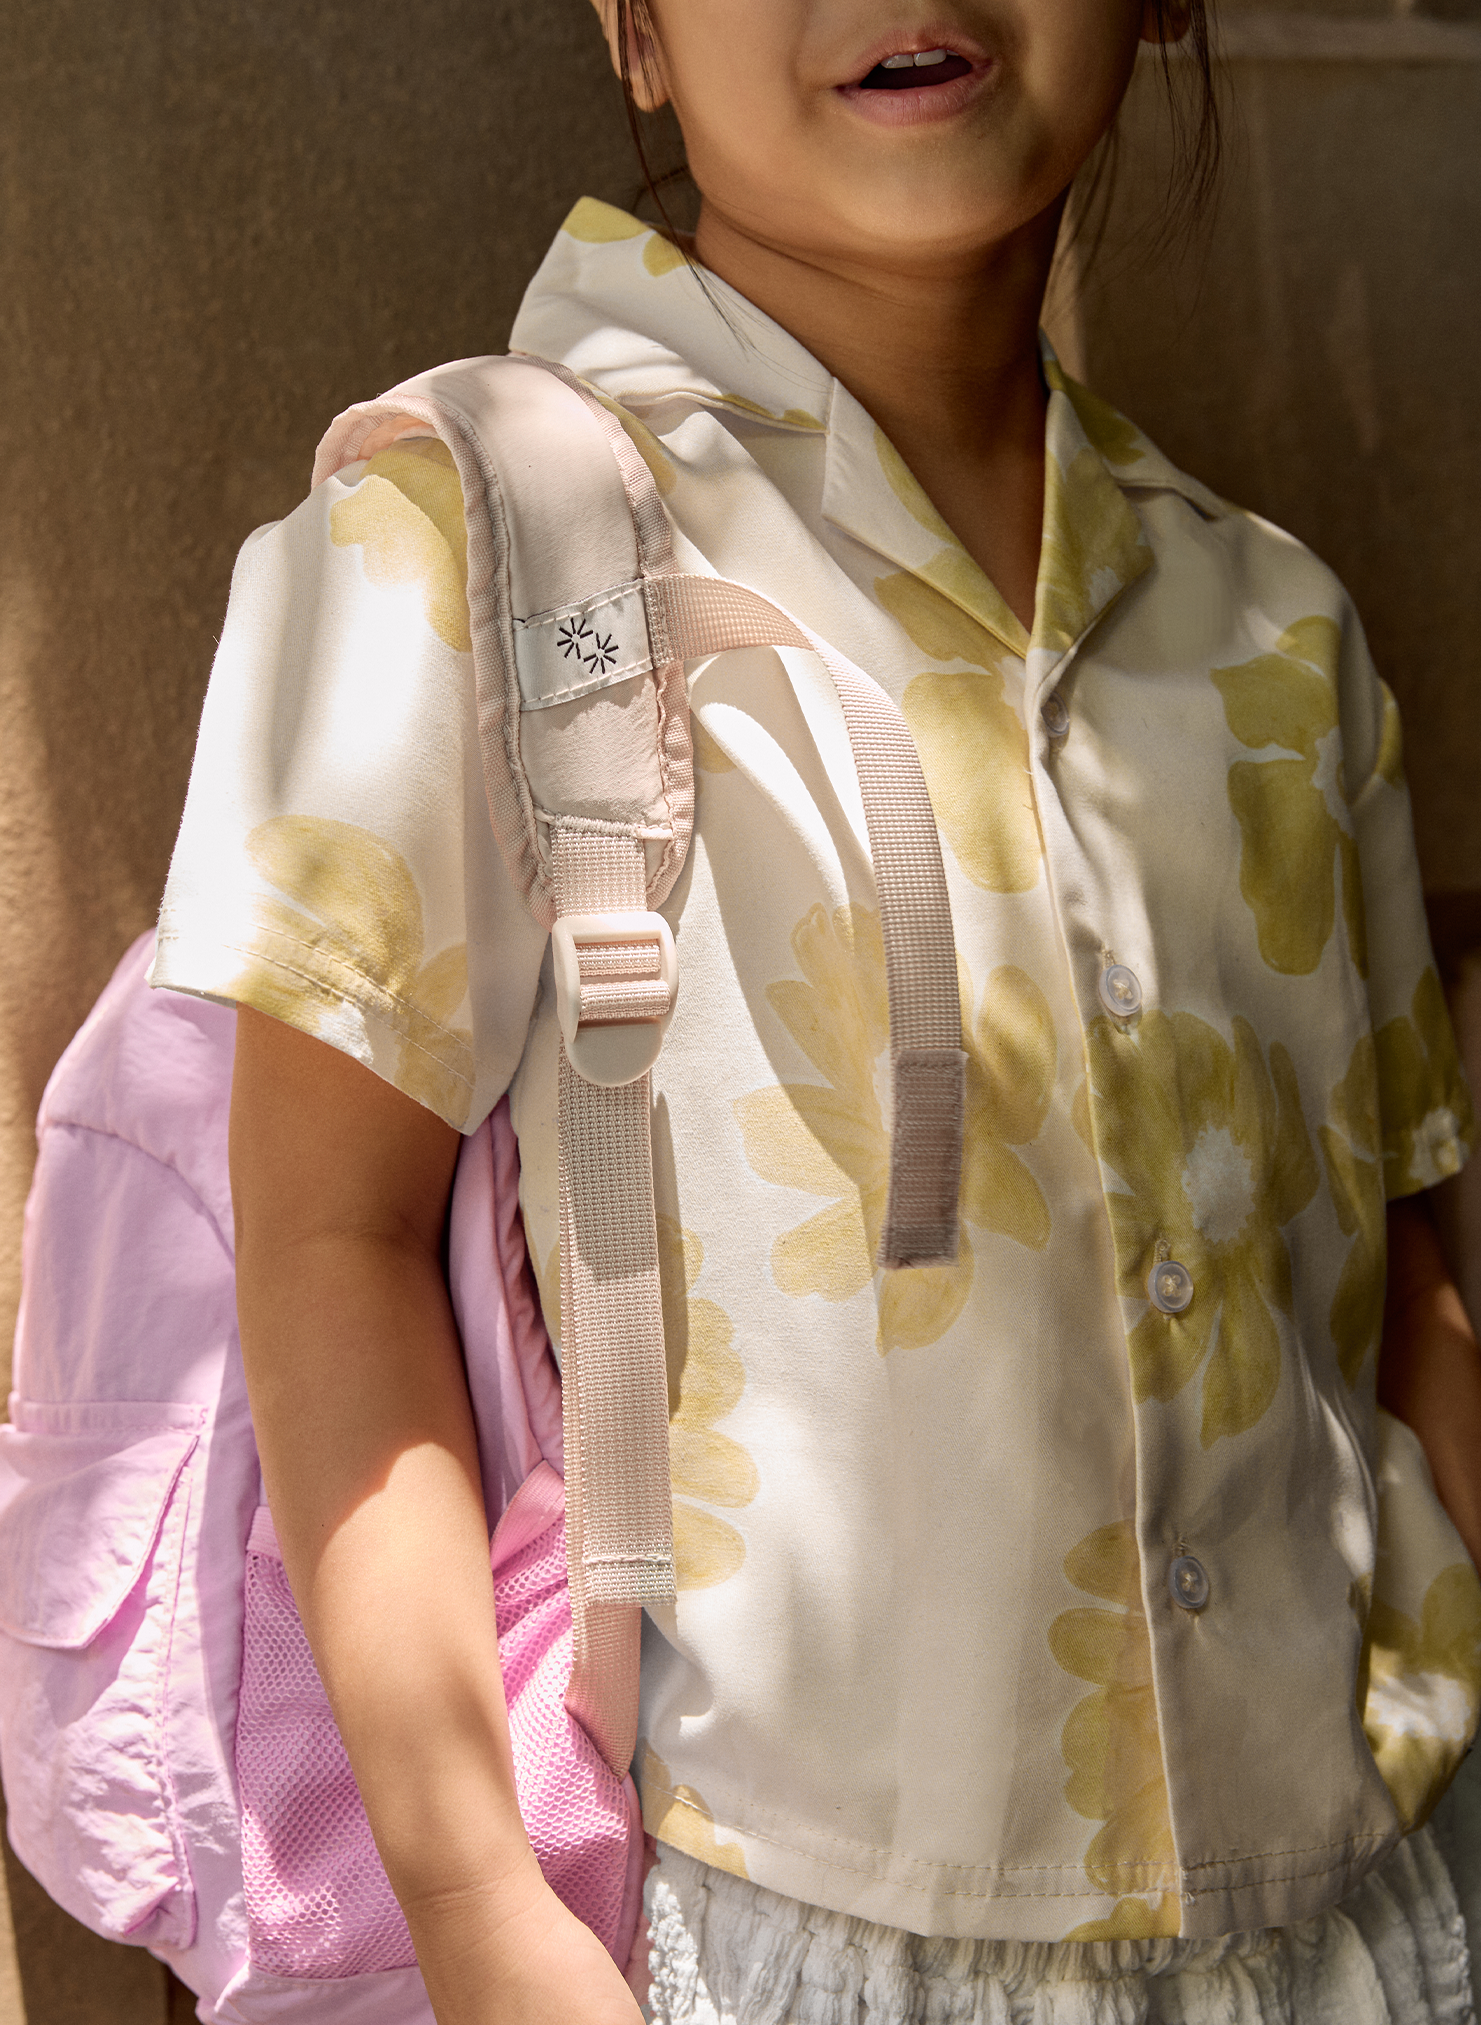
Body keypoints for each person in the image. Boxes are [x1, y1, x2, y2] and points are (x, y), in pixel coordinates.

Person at [152, 0, 1481, 2018]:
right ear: (633, 27)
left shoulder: (1282, 634)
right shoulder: (464, 544)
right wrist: (477, 1902)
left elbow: (1392, 1257)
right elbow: (330, 1238)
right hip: (798, 1917)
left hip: (1363, 1905)